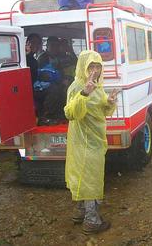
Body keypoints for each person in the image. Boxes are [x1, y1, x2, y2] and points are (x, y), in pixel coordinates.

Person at [64, 50, 118, 234]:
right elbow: (70, 113)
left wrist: (109, 102)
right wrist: (84, 93)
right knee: (90, 179)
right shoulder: (77, 87)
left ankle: (80, 212)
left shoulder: (98, 86)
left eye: (98, 66)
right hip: (83, 141)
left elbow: (102, 109)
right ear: (83, 67)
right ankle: (92, 221)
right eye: (91, 66)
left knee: (83, 177)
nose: (95, 70)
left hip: (95, 139)